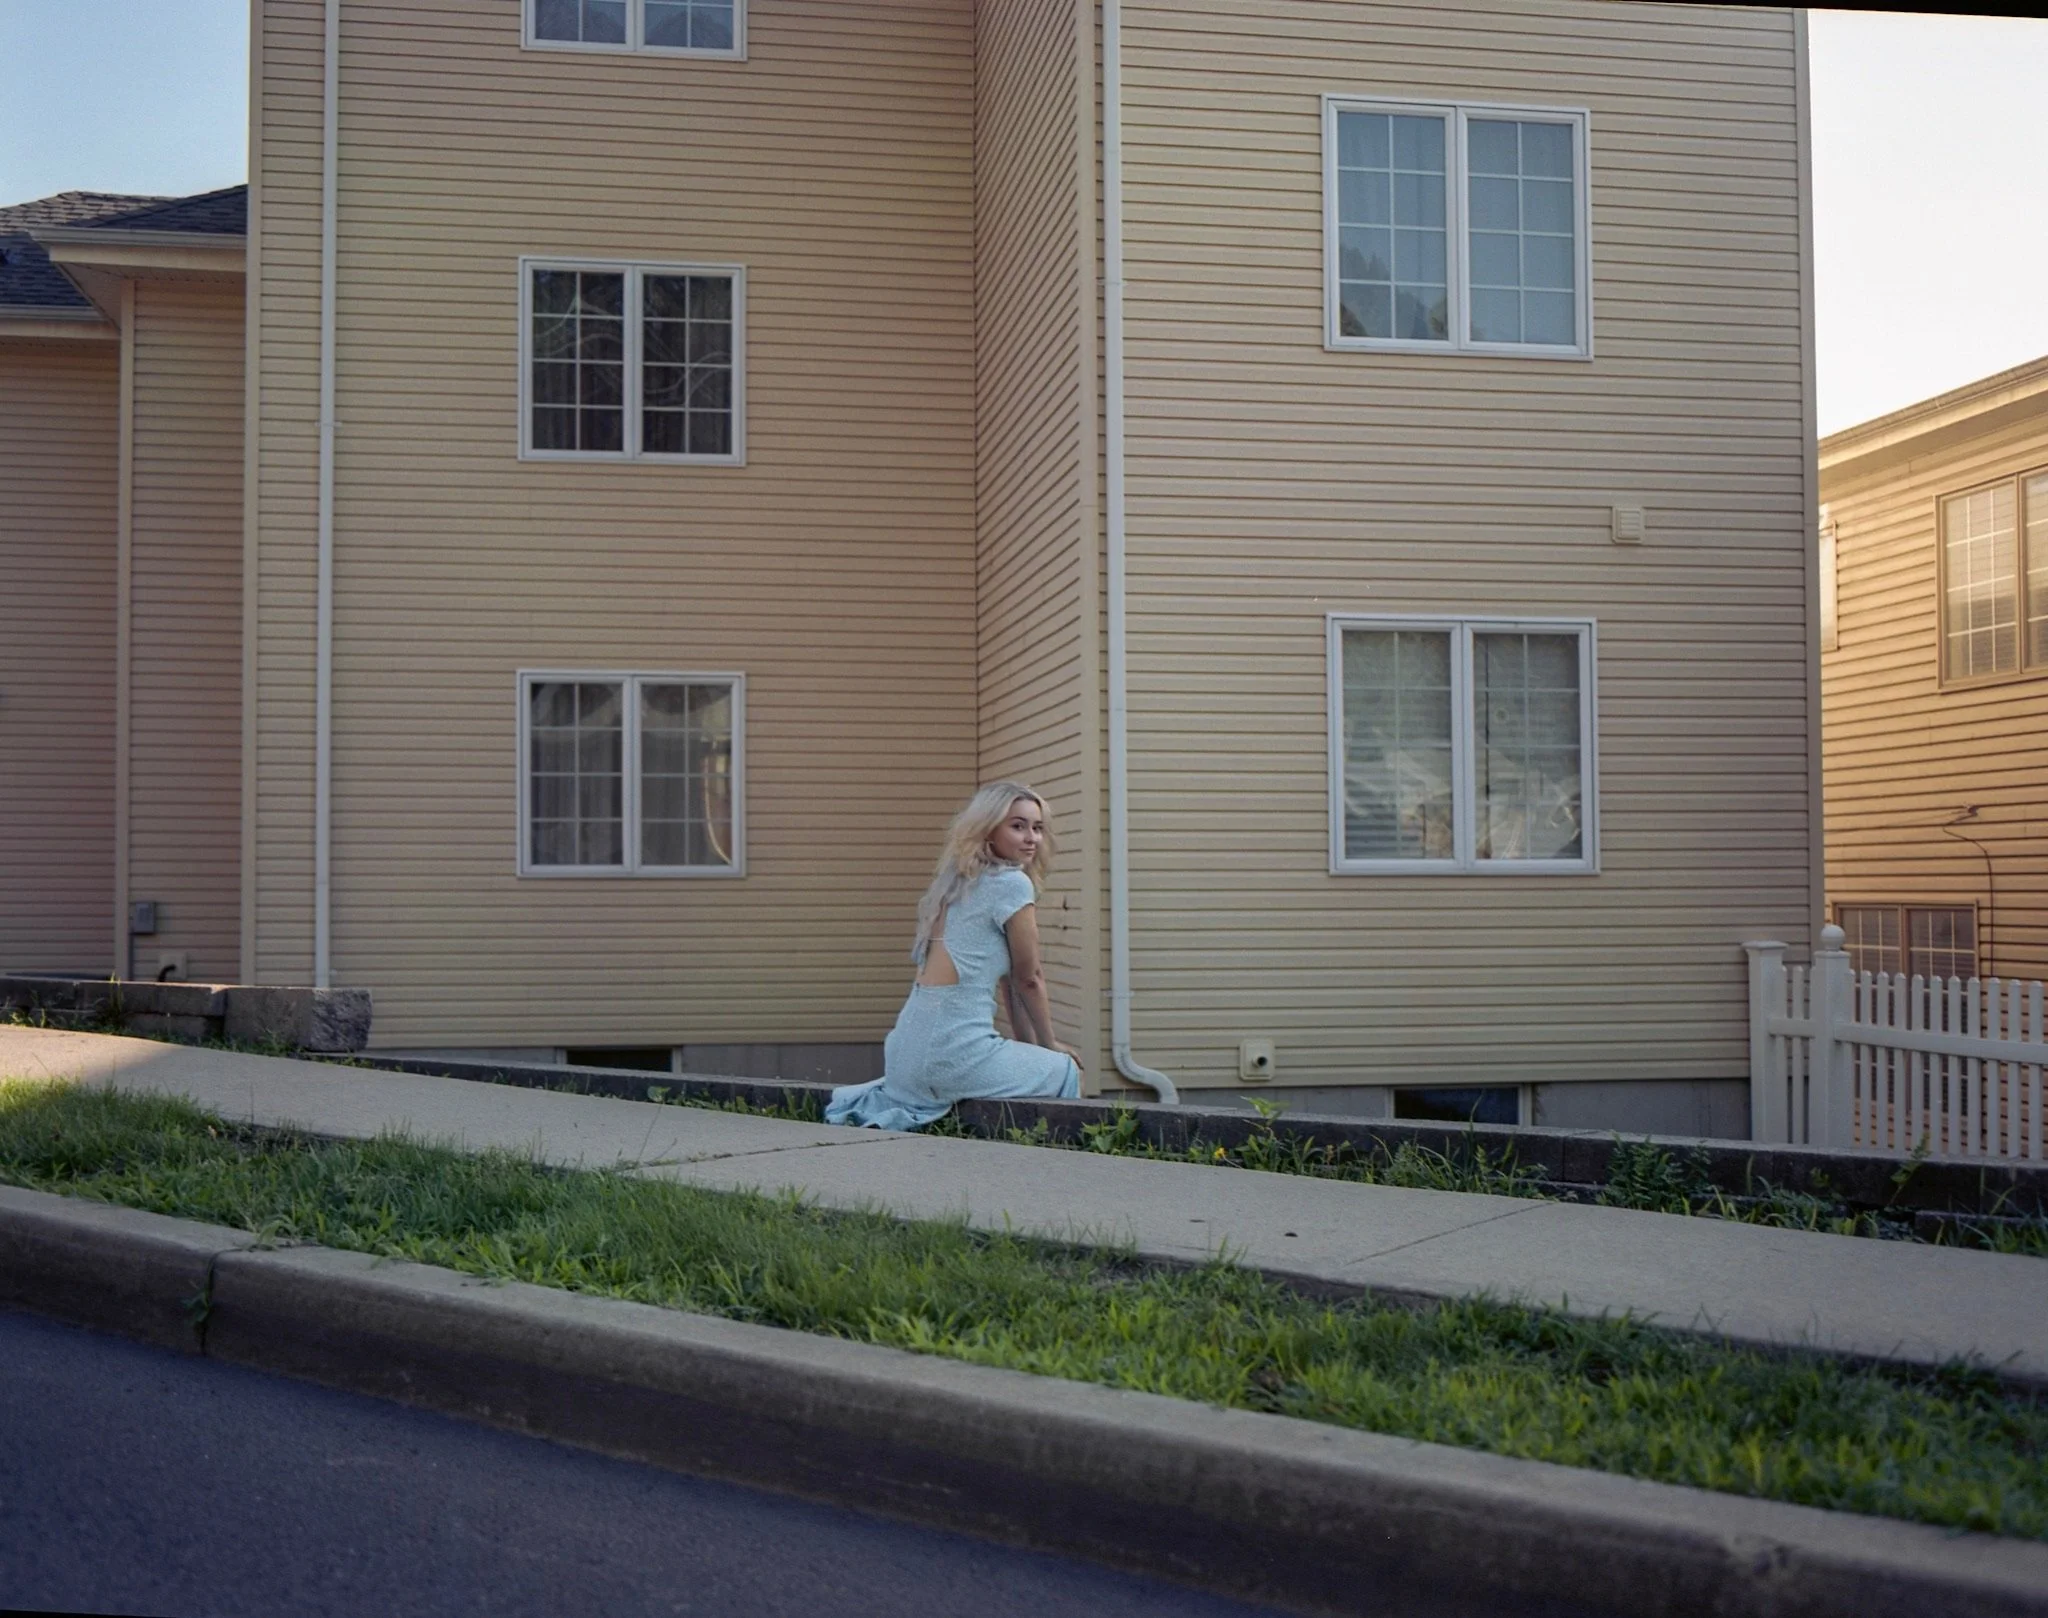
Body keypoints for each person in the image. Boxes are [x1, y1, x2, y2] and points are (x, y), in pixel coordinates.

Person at [826, 783, 1082, 1130]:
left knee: (1039, 1064)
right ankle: (1046, 1158)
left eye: (1037, 828)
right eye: (1018, 826)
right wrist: (1050, 1045)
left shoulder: (958, 883)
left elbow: (1011, 986)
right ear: (988, 828)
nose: (1031, 838)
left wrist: (1031, 1049)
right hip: (949, 1055)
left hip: (903, 1055)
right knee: (1064, 1070)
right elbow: (1029, 979)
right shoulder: (1011, 884)